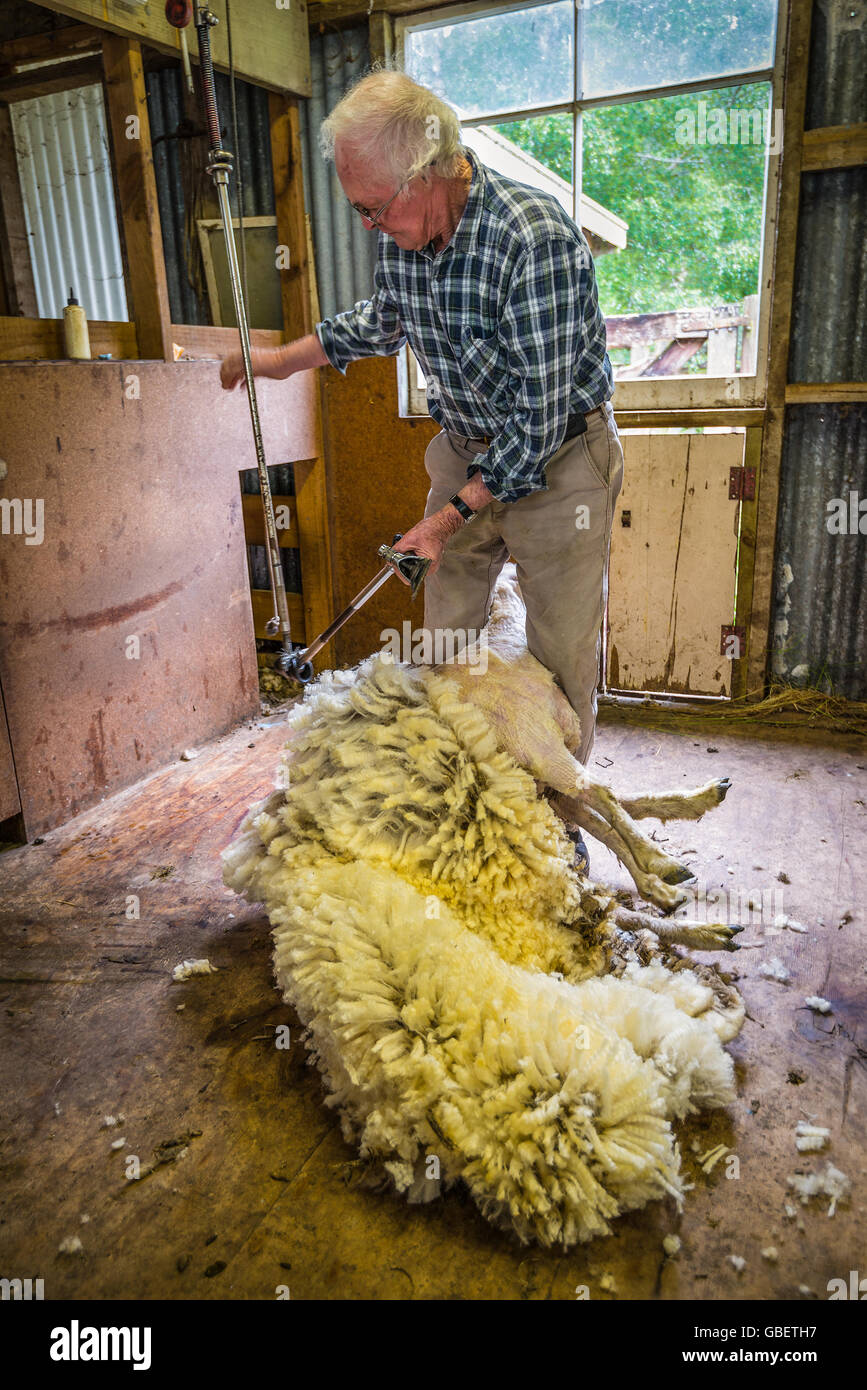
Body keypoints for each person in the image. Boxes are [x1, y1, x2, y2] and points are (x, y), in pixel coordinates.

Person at [220, 71, 625, 870]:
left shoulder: (532, 237)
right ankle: (460, 798)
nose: (369, 223)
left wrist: (445, 518)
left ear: (432, 169)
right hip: (471, 445)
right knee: (444, 634)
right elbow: (380, 321)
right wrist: (275, 361)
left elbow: (539, 422)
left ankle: (556, 818)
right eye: (359, 210)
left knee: (560, 650)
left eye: (376, 207)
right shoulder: (404, 230)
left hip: (562, 457)